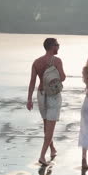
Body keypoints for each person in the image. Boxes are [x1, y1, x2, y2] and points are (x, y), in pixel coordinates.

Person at [27, 37, 66, 165]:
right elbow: (63, 77)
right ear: (51, 46)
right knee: (50, 128)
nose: (58, 47)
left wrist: (29, 99)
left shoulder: (37, 62)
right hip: (53, 96)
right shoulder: (57, 61)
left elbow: (32, 81)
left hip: (41, 94)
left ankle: (53, 149)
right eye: (57, 45)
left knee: (46, 125)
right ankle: (42, 156)